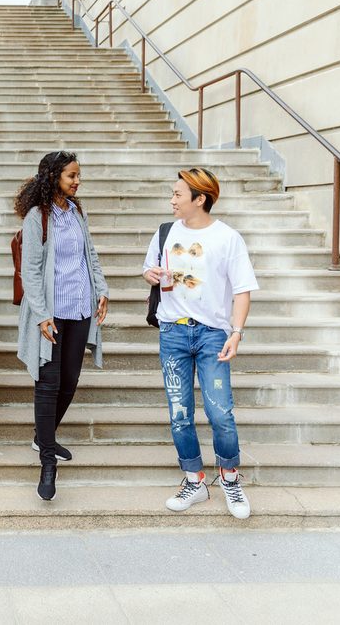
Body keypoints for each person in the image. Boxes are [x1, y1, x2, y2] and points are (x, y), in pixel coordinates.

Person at [141, 167, 258, 520]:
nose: (172, 200)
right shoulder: (165, 232)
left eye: (178, 194)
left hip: (212, 335)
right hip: (173, 333)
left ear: (200, 198)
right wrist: (152, 273)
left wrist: (236, 333)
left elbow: (242, 291)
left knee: (220, 412)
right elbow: (149, 269)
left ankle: (230, 477)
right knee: (180, 415)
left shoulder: (228, 238)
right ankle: (195, 480)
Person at [15, 150, 109, 501]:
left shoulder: (77, 212)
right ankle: (47, 461)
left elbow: (91, 255)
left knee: (70, 381)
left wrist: (102, 290)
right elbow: (31, 271)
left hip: (80, 309)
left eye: (78, 175)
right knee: (48, 384)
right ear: (54, 176)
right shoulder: (38, 217)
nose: (77, 181)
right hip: (51, 314)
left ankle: (44, 436)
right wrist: (41, 314)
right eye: (72, 175)